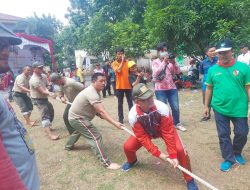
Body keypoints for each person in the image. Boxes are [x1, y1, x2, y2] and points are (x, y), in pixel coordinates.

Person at [122, 83, 199, 190]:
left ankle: (189, 179)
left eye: (150, 96)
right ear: (136, 101)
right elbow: (142, 138)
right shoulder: (133, 116)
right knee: (128, 147)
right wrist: (158, 154)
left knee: (180, 150)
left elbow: (168, 133)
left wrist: (172, 155)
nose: (150, 100)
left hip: (163, 130)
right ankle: (132, 161)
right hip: (146, 133)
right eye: (145, 99)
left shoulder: (162, 108)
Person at [0, 23, 40, 189]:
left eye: (7, 45)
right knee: (25, 109)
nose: (7, 50)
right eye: (2, 45)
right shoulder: (20, 77)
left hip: (26, 180)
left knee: (27, 109)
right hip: (18, 93)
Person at [204, 39, 250, 172]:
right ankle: (229, 159)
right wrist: (206, 106)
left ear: (232, 51)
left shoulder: (243, 68)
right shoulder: (213, 70)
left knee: (242, 133)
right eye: (220, 53)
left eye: (226, 52)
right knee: (223, 134)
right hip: (219, 108)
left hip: (239, 107)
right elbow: (209, 89)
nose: (223, 55)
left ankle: (237, 152)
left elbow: (248, 88)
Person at [66, 73, 123, 169]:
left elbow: (94, 108)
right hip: (77, 118)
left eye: (104, 81)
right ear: (93, 81)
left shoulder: (94, 91)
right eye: (101, 81)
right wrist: (115, 123)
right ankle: (106, 163)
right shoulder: (92, 93)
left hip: (75, 118)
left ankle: (68, 146)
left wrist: (99, 114)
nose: (104, 83)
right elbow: (101, 111)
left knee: (79, 130)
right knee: (95, 136)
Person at [151, 42, 186, 131]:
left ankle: (177, 123)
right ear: (158, 52)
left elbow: (177, 72)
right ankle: (164, 125)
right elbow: (156, 73)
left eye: (166, 51)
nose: (165, 53)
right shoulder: (155, 62)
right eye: (162, 51)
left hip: (172, 87)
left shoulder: (170, 61)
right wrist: (164, 62)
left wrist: (174, 63)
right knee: (162, 108)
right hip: (160, 89)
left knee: (175, 107)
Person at [50, 73, 85, 147]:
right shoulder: (60, 83)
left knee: (81, 117)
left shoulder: (71, 82)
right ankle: (73, 132)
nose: (56, 84)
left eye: (56, 82)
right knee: (66, 116)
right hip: (71, 102)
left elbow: (83, 88)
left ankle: (84, 130)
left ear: (59, 79)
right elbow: (60, 91)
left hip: (79, 102)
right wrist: (61, 97)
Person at [29, 61, 59, 140]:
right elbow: (42, 91)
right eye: (39, 68)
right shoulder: (33, 80)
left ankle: (47, 126)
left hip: (44, 98)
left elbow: (47, 85)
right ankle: (50, 134)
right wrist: (50, 93)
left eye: (42, 67)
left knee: (51, 111)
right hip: (38, 99)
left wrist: (49, 87)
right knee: (45, 115)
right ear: (34, 69)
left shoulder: (43, 76)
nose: (41, 69)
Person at [111, 48, 133, 123]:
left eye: (121, 54)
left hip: (128, 86)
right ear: (116, 55)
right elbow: (118, 70)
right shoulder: (114, 63)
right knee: (120, 103)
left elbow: (132, 71)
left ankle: (132, 118)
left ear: (124, 54)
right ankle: (121, 119)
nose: (120, 55)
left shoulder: (128, 62)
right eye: (118, 54)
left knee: (130, 102)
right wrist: (123, 62)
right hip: (119, 86)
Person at [199, 46, 217, 122]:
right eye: (211, 51)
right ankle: (207, 115)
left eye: (214, 51)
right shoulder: (203, 63)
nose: (213, 52)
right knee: (206, 100)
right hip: (206, 85)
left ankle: (219, 115)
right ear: (207, 53)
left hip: (217, 84)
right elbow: (201, 73)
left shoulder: (219, 61)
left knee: (217, 99)